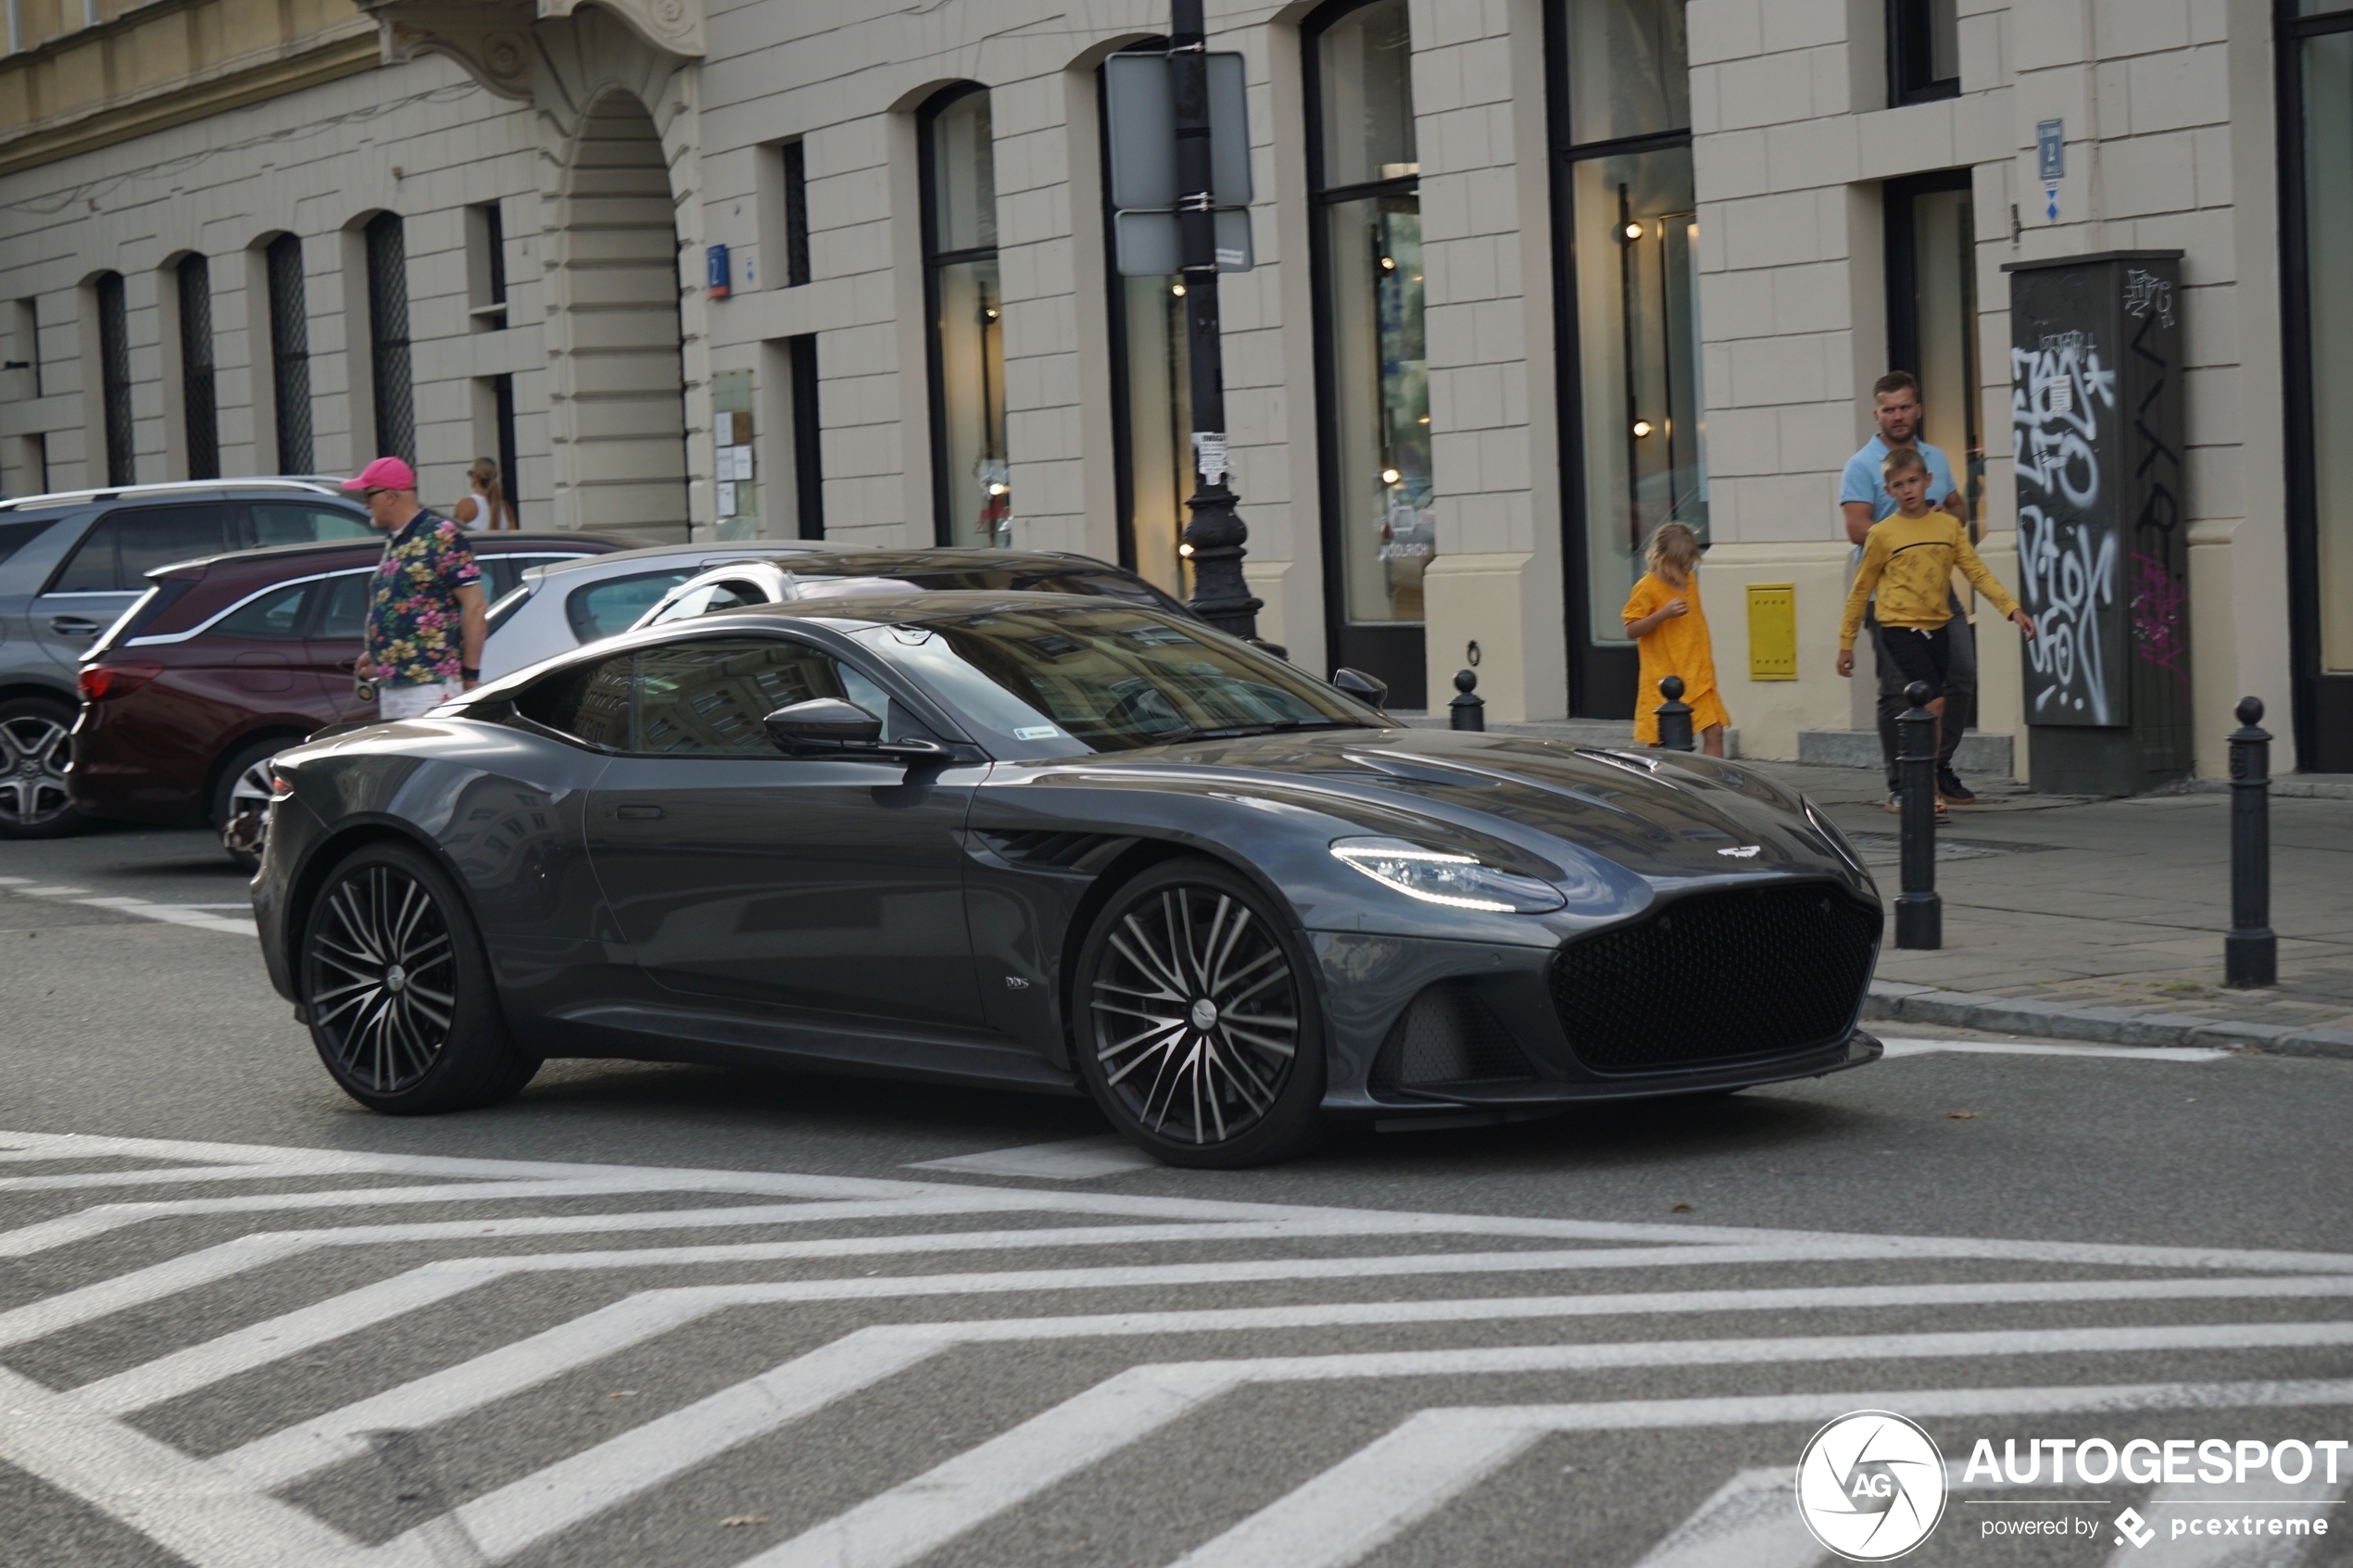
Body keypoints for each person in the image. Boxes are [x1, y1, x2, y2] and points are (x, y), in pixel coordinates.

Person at [1838, 447, 2035, 816]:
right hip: (1898, 625)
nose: (1908, 490)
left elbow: (1976, 572)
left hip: (1938, 624)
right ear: (1888, 491)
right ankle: (1922, 790)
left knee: (1937, 709)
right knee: (1932, 701)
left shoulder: (1947, 527)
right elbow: (1861, 588)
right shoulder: (1882, 534)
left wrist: (2012, 609)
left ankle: (1926, 779)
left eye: (1913, 481)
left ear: (1928, 481)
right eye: (1898, 485)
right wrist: (1846, 643)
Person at [1841, 370, 1979, 807]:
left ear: (1917, 409)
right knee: (1898, 690)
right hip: (1888, 596)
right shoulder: (1861, 465)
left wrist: (1942, 516)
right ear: (1877, 413)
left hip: (1938, 591)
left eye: (1904, 407)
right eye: (1889, 409)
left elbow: (1960, 512)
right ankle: (1901, 783)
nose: (1897, 416)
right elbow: (1857, 528)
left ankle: (1937, 766)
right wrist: (1906, 525)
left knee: (1960, 676)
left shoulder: (1935, 459)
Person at [346, 457, 487, 720]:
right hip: (397, 686)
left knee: (427, 759)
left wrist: (470, 677)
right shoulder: (397, 540)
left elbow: (475, 606)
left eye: (369, 495)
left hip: (429, 685)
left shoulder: (441, 536)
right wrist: (379, 652)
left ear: (389, 496)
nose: (366, 504)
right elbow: (409, 607)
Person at [1623, 521, 1730, 757]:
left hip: (1697, 674)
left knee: (1715, 731)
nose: (1684, 570)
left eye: (1688, 564)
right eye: (1678, 565)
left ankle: (1710, 786)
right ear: (1659, 558)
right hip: (1664, 678)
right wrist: (1663, 614)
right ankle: (1666, 789)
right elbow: (1631, 629)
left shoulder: (1689, 579)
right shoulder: (1646, 588)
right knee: (1662, 743)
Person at [451, 457, 517, 531]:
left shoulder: (464, 505)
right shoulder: (506, 508)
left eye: (470, 473)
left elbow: (454, 536)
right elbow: (514, 538)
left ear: (475, 477)